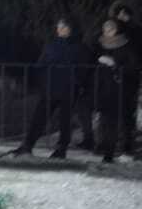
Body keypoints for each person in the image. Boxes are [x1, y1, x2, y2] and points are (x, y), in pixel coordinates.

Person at [10, 17, 92, 158]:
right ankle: (28, 145)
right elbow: (41, 64)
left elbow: (84, 69)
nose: (59, 30)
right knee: (39, 117)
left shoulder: (80, 47)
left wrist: (78, 83)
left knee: (64, 120)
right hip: (50, 87)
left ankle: (61, 148)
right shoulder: (52, 45)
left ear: (70, 29)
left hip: (68, 88)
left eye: (63, 27)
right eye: (58, 27)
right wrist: (43, 81)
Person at [109, 1, 142, 150]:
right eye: (119, 13)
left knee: (127, 109)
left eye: (124, 13)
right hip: (113, 73)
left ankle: (126, 142)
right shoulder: (112, 29)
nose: (122, 16)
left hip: (130, 74)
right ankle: (111, 141)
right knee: (113, 109)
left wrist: (140, 65)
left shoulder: (138, 31)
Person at [94, 19, 140, 162]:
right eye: (105, 29)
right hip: (104, 88)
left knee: (121, 121)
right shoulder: (100, 44)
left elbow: (133, 66)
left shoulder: (126, 45)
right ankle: (107, 150)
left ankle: (122, 149)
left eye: (111, 29)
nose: (107, 32)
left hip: (121, 88)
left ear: (116, 30)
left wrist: (115, 64)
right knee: (106, 120)